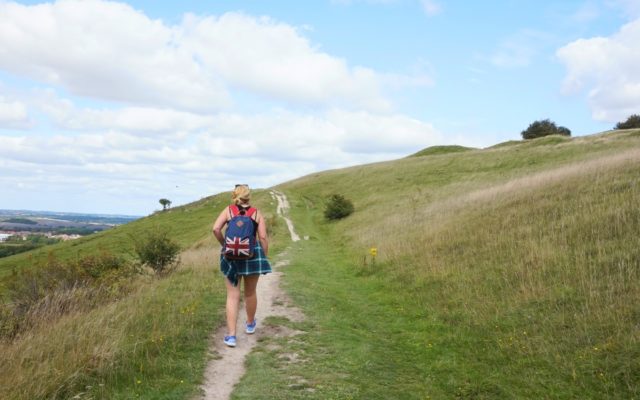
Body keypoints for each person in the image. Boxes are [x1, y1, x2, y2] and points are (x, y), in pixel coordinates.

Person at [212, 184, 272, 347]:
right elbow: (263, 237)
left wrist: (225, 245)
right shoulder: (256, 213)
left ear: (235, 195)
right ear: (248, 196)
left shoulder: (229, 210)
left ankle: (231, 336)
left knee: (232, 295)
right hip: (252, 255)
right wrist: (264, 256)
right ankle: (250, 324)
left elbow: (216, 229)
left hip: (230, 256)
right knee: (250, 292)